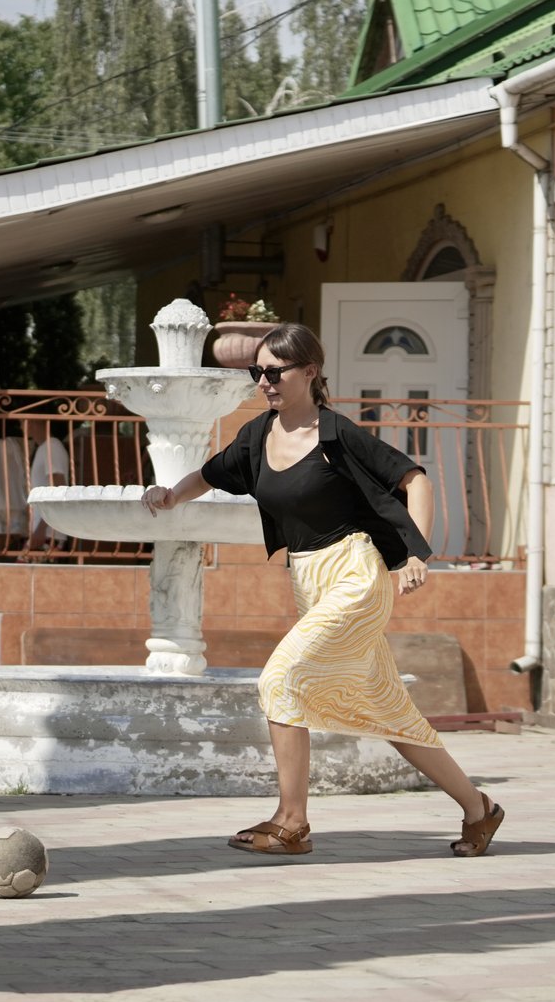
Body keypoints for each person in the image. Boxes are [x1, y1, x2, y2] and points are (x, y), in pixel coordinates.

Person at [142, 323, 505, 857]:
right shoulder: (256, 436)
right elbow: (211, 473)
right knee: (390, 712)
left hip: (356, 575)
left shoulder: (336, 434)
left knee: (282, 678)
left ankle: (292, 822)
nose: (263, 382)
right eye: (257, 373)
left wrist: (413, 555)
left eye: (274, 372)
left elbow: (414, 480)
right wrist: (171, 496)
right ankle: (480, 810)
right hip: (310, 582)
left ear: (310, 372)